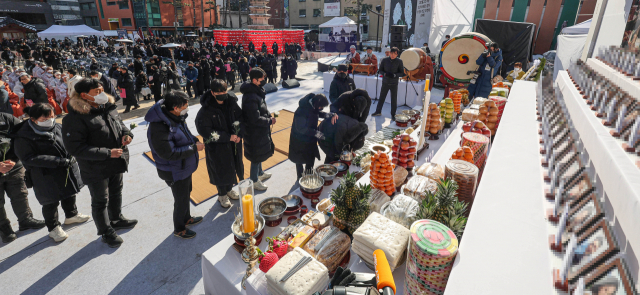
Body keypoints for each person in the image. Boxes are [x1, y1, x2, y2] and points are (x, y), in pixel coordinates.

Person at [63, 78, 138, 248]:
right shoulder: (75, 118)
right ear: (84, 95)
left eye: (102, 90)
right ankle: (105, 231)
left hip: (116, 160)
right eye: (97, 92)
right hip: (95, 167)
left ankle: (116, 218)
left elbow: (120, 125)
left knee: (116, 192)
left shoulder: (108, 108)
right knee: (100, 200)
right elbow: (76, 148)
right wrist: (107, 153)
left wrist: (127, 135)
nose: (102, 94)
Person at [14, 103, 89, 242]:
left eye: (52, 117)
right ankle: (53, 228)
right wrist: (58, 161)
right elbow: (29, 158)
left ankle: (71, 215)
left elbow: (67, 140)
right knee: (50, 202)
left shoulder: (57, 126)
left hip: (65, 168)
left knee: (69, 193)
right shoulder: (23, 136)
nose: (50, 121)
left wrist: (72, 151)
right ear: (33, 119)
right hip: (44, 174)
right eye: (44, 119)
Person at [146, 91, 203, 239]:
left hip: (183, 167)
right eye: (185, 106)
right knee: (180, 199)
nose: (187, 108)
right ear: (176, 108)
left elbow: (185, 134)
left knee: (186, 193)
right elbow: (168, 153)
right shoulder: (159, 127)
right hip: (173, 170)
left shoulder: (176, 117)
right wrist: (194, 148)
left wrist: (194, 140)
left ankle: (187, 218)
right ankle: (179, 229)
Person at [195, 79, 244, 208]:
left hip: (234, 143)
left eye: (224, 90)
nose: (223, 93)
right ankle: (221, 195)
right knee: (220, 170)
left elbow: (241, 117)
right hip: (218, 147)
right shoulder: (205, 110)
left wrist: (239, 134)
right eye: (219, 92)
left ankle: (229, 189)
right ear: (212, 92)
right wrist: (227, 137)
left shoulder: (231, 103)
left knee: (232, 167)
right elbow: (205, 131)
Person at [0, 111, 46, 243]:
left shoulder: (6, 118)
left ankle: (26, 220)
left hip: (14, 167)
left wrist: (15, 158)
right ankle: (4, 229)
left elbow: (23, 135)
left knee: (20, 194)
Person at [289, 93, 337, 179]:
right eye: (320, 107)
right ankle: (300, 177)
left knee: (310, 158)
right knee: (299, 160)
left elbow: (317, 112)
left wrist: (327, 115)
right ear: (316, 104)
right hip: (299, 139)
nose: (321, 108)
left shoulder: (313, 105)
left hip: (309, 137)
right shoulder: (302, 110)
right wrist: (316, 133)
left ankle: (309, 175)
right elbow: (301, 128)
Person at [240, 68, 274, 191]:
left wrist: (269, 115)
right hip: (254, 132)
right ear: (254, 80)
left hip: (260, 129)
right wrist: (269, 121)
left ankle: (260, 173)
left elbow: (263, 107)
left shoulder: (257, 91)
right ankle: (254, 180)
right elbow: (254, 118)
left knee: (260, 154)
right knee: (255, 157)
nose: (264, 81)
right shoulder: (250, 96)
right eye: (262, 79)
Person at [318, 98, 369, 163]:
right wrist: (343, 155)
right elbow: (338, 144)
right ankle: (327, 169)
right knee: (333, 155)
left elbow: (349, 140)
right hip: (323, 134)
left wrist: (350, 151)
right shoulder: (343, 129)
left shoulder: (356, 127)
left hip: (334, 130)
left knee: (336, 154)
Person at [372, 47, 405, 119]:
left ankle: (393, 114)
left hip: (394, 83)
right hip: (385, 82)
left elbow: (402, 73)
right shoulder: (384, 60)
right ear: (389, 53)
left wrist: (395, 75)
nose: (393, 55)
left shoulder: (399, 61)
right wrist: (384, 74)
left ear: (397, 55)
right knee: (381, 97)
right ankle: (378, 111)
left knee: (393, 99)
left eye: (395, 54)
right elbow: (380, 70)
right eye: (392, 53)